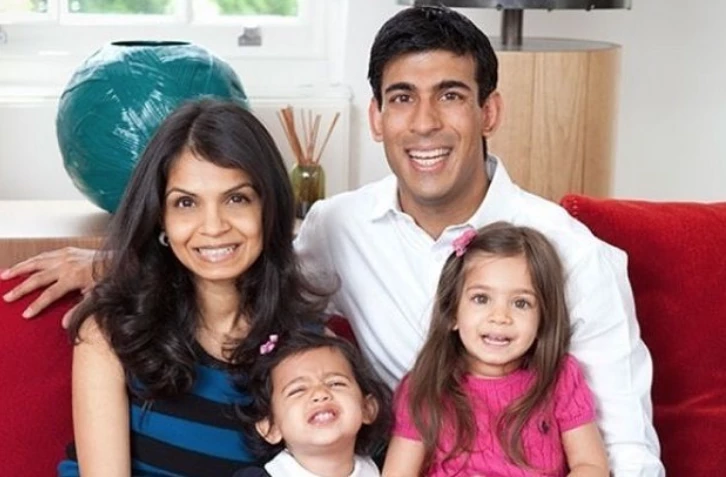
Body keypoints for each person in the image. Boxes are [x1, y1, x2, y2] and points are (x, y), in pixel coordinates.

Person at [2, 5, 664, 475]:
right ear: (376, 117)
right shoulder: (337, 226)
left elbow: (628, 453)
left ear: (489, 110)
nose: (424, 123)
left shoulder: (571, 252)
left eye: (450, 95)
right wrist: (117, 259)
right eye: (401, 97)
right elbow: (228, 252)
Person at [56, 98, 329, 476]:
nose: (213, 226)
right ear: (161, 219)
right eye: (186, 203)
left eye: (236, 198)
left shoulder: (310, 347)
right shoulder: (110, 333)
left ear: (269, 209)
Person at [383, 222, 609, 476]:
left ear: (543, 318)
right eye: (481, 299)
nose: (500, 317)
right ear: (452, 312)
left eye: (521, 303)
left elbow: (591, 465)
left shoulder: (560, 377)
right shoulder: (425, 386)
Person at [234, 331, 392, 477]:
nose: (320, 394)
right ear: (271, 427)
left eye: (336, 383)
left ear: (368, 408)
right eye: (298, 390)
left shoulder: (389, 469)